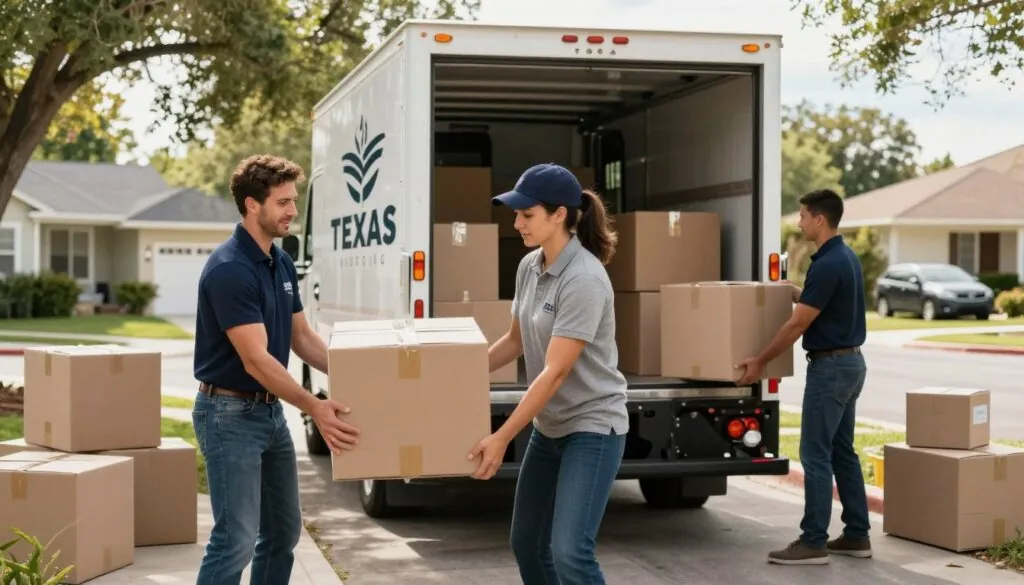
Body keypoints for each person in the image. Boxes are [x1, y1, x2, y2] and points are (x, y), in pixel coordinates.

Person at [191, 154, 361, 585]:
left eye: (293, 200)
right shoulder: (230, 268)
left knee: (282, 532)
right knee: (236, 539)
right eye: (283, 201)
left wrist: (363, 374)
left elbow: (301, 339)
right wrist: (314, 406)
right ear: (252, 205)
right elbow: (257, 359)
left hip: (269, 415)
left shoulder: (280, 262)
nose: (293, 211)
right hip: (229, 416)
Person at [467, 163, 629, 585]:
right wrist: (457, 375)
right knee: (527, 544)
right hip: (550, 428)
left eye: (527, 214)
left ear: (559, 215)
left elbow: (554, 373)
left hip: (592, 428)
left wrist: (501, 437)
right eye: (516, 214)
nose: (517, 222)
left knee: (571, 553)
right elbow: (514, 341)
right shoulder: (529, 266)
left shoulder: (585, 278)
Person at [736, 188, 871, 566]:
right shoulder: (844, 257)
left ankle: (813, 541)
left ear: (820, 219)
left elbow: (798, 325)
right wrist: (795, 290)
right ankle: (858, 535)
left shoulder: (827, 264)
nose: (799, 222)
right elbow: (822, 304)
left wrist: (761, 359)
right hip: (851, 364)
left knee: (815, 453)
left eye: (802, 215)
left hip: (830, 370)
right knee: (842, 451)